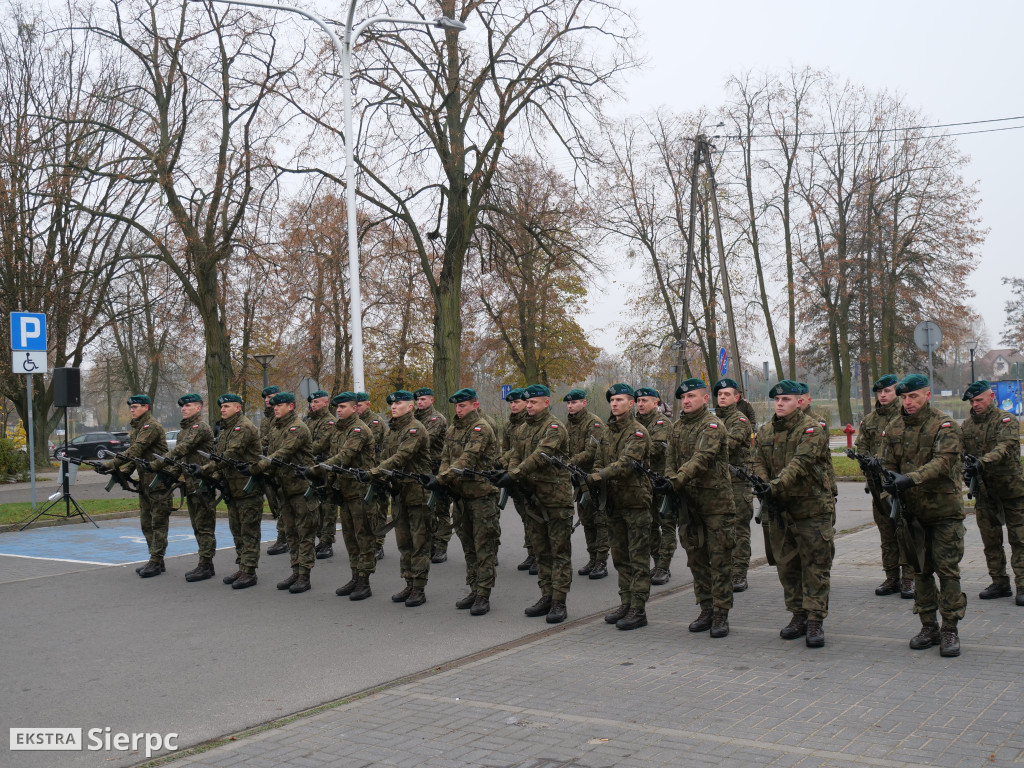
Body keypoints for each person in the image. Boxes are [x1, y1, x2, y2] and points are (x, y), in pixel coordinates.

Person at [881, 374, 966, 656]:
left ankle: (950, 628)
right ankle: (928, 625)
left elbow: (943, 463)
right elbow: (887, 467)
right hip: (912, 513)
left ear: (927, 395)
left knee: (947, 571)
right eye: (904, 397)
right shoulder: (894, 427)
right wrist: (888, 490)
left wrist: (910, 479)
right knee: (920, 571)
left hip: (943, 512)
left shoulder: (945, 425)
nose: (908, 402)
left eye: (913, 396)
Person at [752, 379, 834, 648]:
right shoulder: (764, 432)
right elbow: (758, 462)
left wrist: (773, 487)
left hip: (811, 509)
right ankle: (798, 614)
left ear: (800, 402)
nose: (779, 403)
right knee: (787, 566)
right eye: (776, 400)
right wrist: (764, 483)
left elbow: (800, 464)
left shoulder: (812, 430)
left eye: (785, 399)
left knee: (815, 566)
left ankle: (815, 620)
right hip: (781, 510)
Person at [664, 379, 736, 638]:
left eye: (692, 396)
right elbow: (669, 460)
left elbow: (702, 458)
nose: (686, 401)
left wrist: (676, 479)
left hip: (716, 505)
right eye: (683, 397)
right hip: (689, 506)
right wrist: (671, 478)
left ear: (706, 399)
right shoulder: (676, 428)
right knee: (696, 560)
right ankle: (706, 608)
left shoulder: (713, 425)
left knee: (719, 560)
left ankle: (721, 614)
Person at [499, 384, 574, 623]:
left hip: (555, 499)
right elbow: (514, 454)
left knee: (559, 551)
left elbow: (541, 455)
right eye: (527, 402)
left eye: (533, 402)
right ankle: (546, 595)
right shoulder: (522, 428)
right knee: (541, 551)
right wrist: (509, 470)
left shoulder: (554, 428)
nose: (529, 406)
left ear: (546, 403)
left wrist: (514, 474)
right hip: (532, 497)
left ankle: (559, 602)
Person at [591, 384, 653, 630]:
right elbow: (598, 460)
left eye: (619, 400)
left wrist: (598, 476)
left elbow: (627, 464)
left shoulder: (638, 432)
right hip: (614, 504)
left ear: (631, 403)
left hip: (635, 504)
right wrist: (594, 475)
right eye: (612, 400)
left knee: (638, 558)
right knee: (620, 557)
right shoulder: (607, 432)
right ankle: (626, 602)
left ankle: (639, 609)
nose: (614, 404)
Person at [960, 379, 1024, 605]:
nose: (975, 404)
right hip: (985, 492)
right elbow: (961, 456)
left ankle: (1023, 584)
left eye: (979, 399)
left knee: (1019, 539)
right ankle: (999, 583)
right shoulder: (966, 426)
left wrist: (981, 462)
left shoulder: (1006, 420)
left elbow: (1004, 447)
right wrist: (965, 472)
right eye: (972, 401)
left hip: (1011, 490)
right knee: (990, 540)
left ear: (991, 397)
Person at [438, 388, 501, 615]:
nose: (459, 409)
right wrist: (443, 476)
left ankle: (484, 594)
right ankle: (474, 589)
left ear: (475, 405)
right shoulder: (453, 428)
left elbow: (467, 458)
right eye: (456, 406)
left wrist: (442, 478)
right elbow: (446, 457)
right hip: (462, 497)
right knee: (468, 547)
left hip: (482, 496)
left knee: (484, 547)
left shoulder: (481, 428)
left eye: (463, 405)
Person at [96, 394, 172, 578]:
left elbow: (135, 450)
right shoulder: (138, 428)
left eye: (136, 407)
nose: (132, 410)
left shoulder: (150, 426)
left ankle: (156, 560)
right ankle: (156, 561)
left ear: (146, 407)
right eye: (131, 407)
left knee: (158, 523)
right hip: (145, 483)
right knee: (146, 523)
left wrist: (110, 464)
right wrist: (122, 472)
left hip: (159, 482)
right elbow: (135, 459)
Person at [251, 391, 317, 594]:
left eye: (280, 405)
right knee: (291, 533)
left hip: (301, 489)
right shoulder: (276, 428)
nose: (275, 408)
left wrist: (258, 467)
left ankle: (304, 575)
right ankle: (295, 570)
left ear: (291, 406)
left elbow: (282, 454)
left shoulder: (297, 428)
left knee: (304, 533)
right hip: (285, 488)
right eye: (274, 406)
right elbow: (269, 451)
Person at [371, 390, 433, 607]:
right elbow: (384, 457)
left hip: (417, 494)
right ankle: (408, 582)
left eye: (399, 403)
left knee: (419, 543)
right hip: (399, 494)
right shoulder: (392, 431)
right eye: (392, 403)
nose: (394, 406)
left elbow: (401, 457)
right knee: (403, 542)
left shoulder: (415, 429)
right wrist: (378, 473)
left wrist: (376, 470)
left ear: (410, 406)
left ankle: (419, 587)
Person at [855, 374, 913, 598]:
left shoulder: (905, 415)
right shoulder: (870, 420)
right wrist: (867, 464)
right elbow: (861, 448)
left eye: (887, 391)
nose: (883, 395)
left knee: (905, 531)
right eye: (879, 392)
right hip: (879, 488)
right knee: (886, 533)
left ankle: (909, 577)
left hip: (901, 484)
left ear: (896, 390)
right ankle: (892, 577)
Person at [150, 393, 216, 582]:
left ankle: (206, 564)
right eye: (183, 406)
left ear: (198, 408)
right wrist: (170, 472)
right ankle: (206, 564)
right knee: (197, 525)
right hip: (191, 484)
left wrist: (160, 462)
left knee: (204, 526)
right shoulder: (183, 431)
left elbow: (183, 449)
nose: (184, 409)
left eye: (188, 406)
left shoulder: (199, 427)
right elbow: (181, 460)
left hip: (203, 483)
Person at [318, 392, 377, 601]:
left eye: (343, 407)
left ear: (354, 408)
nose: (339, 410)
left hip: (359, 492)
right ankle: (355, 576)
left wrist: (318, 468)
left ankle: (364, 581)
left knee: (363, 538)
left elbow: (344, 456)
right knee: (350, 538)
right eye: (337, 407)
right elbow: (323, 448)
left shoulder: (359, 430)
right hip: (344, 491)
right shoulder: (337, 429)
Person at [200, 394, 262, 589]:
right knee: (237, 530)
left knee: (249, 531)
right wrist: (212, 476)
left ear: (238, 407)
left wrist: (205, 469)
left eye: (227, 406)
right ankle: (242, 567)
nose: (223, 409)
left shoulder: (243, 426)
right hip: (233, 489)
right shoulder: (227, 429)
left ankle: (250, 571)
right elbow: (220, 457)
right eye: (221, 407)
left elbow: (230, 454)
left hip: (247, 489)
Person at [712, 378, 755, 592]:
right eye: (719, 394)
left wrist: (704, 449)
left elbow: (727, 445)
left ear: (736, 398)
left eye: (726, 394)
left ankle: (739, 573)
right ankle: (726, 570)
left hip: (738, 483)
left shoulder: (740, 420)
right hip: (720, 484)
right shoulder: (713, 420)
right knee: (722, 529)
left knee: (739, 529)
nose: (722, 397)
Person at [563, 388, 609, 579]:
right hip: (578, 479)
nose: (571, 406)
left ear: (584, 403)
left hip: (594, 479)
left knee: (600, 521)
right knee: (586, 520)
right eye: (568, 403)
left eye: (574, 402)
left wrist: (568, 462)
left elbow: (591, 452)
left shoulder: (594, 424)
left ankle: (601, 561)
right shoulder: (569, 424)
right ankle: (592, 558)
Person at [634, 387, 675, 585]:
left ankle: (664, 566)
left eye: (644, 400)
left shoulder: (661, 423)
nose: (640, 404)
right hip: (642, 484)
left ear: (655, 402)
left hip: (660, 482)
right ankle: (658, 563)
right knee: (649, 525)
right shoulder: (632, 422)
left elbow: (657, 448)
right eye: (638, 400)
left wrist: (630, 451)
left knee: (666, 524)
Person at [497, 388, 535, 573]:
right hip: (512, 475)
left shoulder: (529, 424)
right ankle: (531, 553)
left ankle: (538, 555)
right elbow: (506, 450)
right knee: (524, 517)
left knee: (533, 517)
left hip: (526, 475)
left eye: (517, 402)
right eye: (511, 403)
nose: (513, 405)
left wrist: (507, 463)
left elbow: (521, 451)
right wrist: (502, 464)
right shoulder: (507, 426)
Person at [414, 387, 450, 563]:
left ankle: (441, 546)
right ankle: (430, 544)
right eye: (418, 400)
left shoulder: (437, 419)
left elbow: (424, 440)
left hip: (437, 469)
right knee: (426, 509)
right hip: (422, 469)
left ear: (431, 400)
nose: (420, 402)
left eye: (423, 399)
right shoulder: (414, 418)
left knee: (441, 508)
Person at [355, 392, 387, 559]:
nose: (357, 408)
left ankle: (378, 544)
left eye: (359, 405)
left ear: (367, 404)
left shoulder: (375, 422)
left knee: (377, 510)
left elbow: (363, 444)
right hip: (362, 472)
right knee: (365, 510)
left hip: (375, 471)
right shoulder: (355, 423)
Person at [306, 390, 337, 560]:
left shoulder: (330, 422)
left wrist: (302, 449)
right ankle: (320, 539)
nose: (313, 405)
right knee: (315, 505)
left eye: (317, 402)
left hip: (325, 469)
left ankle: (327, 542)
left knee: (328, 507)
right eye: (312, 402)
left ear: (325, 403)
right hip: (311, 468)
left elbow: (320, 444)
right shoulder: (310, 421)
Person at [260, 385, 288, 556]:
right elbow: (263, 440)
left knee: (284, 503)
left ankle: (284, 538)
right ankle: (285, 536)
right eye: (265, 397)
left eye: (270, 397)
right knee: (275, 504)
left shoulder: (282, 420)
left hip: (280, 466)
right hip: (268, 467)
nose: (267, 400)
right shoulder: (266, 420)